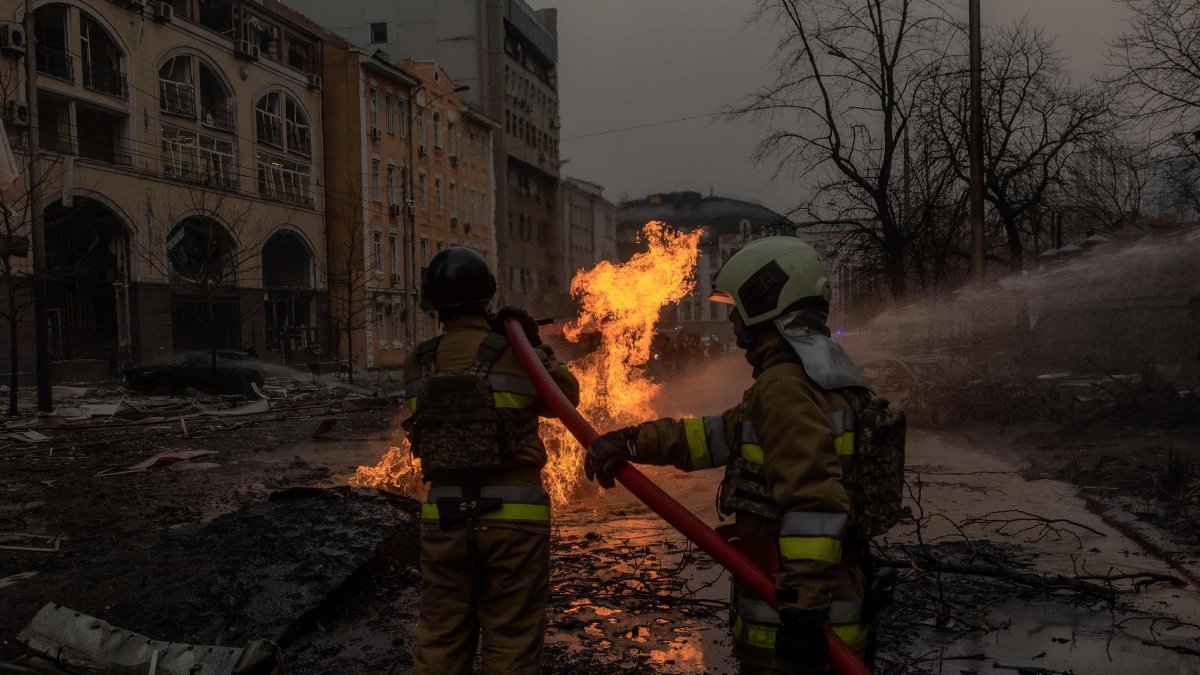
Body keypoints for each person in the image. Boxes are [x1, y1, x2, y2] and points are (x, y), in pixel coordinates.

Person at [587, 237, 876, 674]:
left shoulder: (785, 387)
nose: (732, 320)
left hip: (799, 625)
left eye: (739, 307)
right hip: (823, 606)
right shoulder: (820, 374)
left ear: (767, 304)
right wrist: (632, 440)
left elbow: (814, 504)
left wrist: (802, 614)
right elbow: (716, 436)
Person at [404, 246, 579, 675]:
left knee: (440, 639)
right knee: (511, 641)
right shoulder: (513, 353)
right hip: (513, 520)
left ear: (435, 308)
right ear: (488, 298)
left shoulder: (419, 362)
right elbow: (566, 400)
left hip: (443, 517)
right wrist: (532, 344)